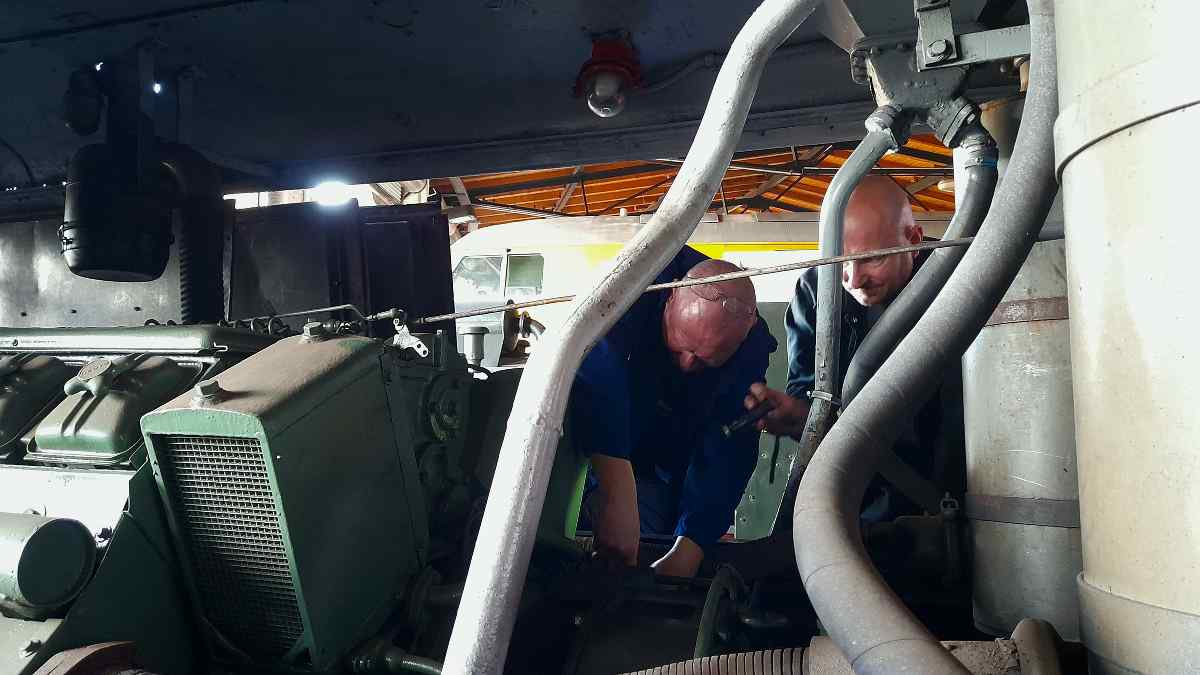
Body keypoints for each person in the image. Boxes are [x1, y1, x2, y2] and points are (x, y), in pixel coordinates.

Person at [745, 175, 961, 520]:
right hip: (851, 497)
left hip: (949, 495)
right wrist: (794, 414)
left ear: (914, 240)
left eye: (872, 259)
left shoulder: (960, 279)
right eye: (841, 260)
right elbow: (806, 395)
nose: (854, 279)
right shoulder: (815, 289)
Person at [571, 246, 777, 577]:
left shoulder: (750, 350)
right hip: (590, 448)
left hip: (665, 468)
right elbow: (595, 367)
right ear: (670, 298)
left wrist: (691, 545)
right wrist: (615, 482)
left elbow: (729, 445)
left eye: (706, 359)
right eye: (680, 347)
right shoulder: (635, 280)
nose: (687, 364)